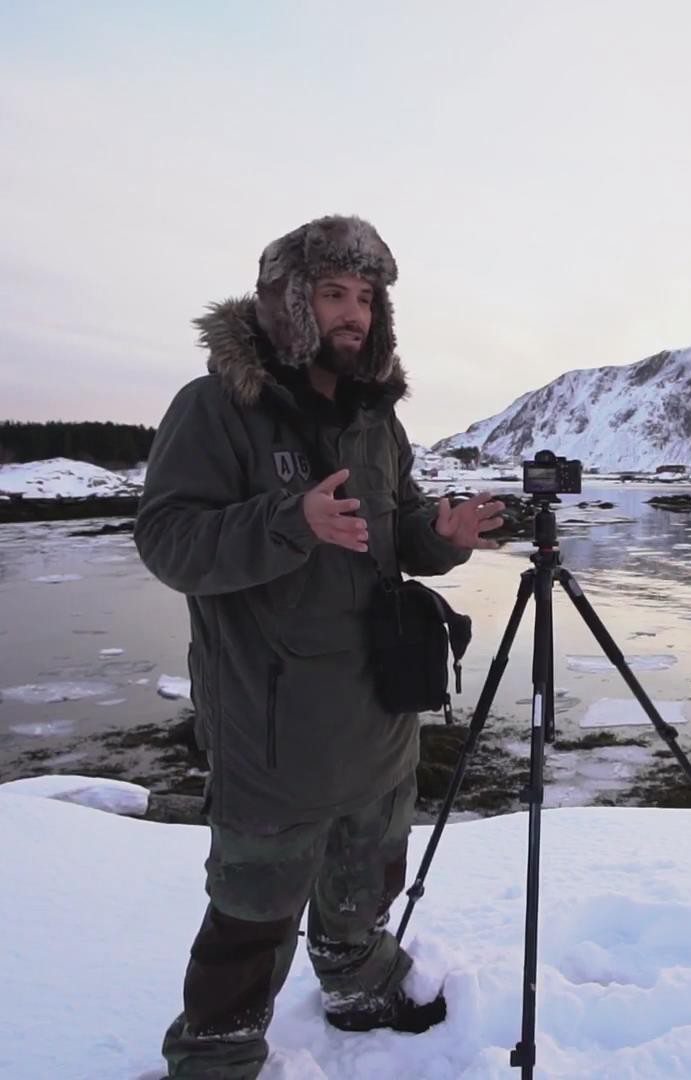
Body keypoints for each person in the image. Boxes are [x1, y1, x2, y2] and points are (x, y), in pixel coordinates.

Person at [134, 214, 505, 1078]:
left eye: (367, 298)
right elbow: (168, 541)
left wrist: (440, 536)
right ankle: (217, 1053)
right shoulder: (215, 408)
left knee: (371, 859)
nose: (355, 315)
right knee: (254, 898)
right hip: (272, 713)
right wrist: (287, 521)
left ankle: (356, 981)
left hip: (376, 696)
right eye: (335, 294)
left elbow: (394, 527)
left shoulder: (377, 418)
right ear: (288, 302)